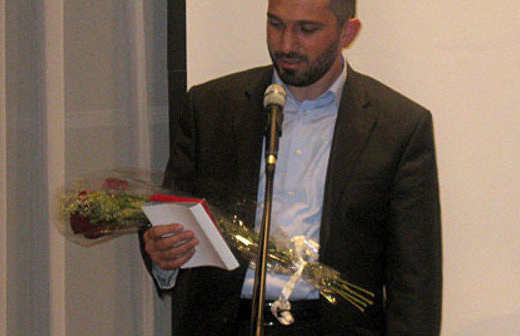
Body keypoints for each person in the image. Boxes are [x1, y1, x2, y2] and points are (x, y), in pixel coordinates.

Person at [141, 0, 442, 335]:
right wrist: (160, 253)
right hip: (226, 324)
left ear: (347, 32)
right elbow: (166, 216)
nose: (285, 44)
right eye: (275, 24)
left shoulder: (398, 126)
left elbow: (416, 284)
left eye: (306, 29)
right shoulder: (210, 106)